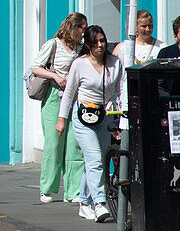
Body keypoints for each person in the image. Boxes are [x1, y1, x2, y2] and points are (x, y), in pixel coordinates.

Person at [57, 25, 125, 223]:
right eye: (95, 42)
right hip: (83, 115)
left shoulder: (114, 63)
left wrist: (123, 114)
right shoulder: (79, 64)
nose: (100, 45)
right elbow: (69, 93)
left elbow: (121, 90)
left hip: (105, 115)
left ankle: (84, 203)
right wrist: (62, 119)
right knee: (94, 159)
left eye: (102, 40)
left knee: (96, 162)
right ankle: (99, 203)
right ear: (87, 44)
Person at [30, 12, 88, 204]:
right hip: (55, 96)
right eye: (82, 28)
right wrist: (55, 76)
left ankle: (73, 191)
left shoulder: (81, 48)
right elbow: (35, 67)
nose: (84, 33)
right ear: (74, 28)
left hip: (75, 98)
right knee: (54, 144)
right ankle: (47, 189)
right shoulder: (53, 44)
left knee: (74, 146)